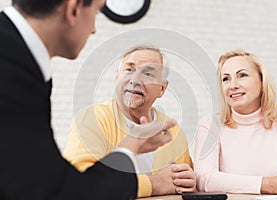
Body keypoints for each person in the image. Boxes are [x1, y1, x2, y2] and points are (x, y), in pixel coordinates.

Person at [0, 1, 177, 199]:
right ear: (73, 9)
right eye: (96, 11)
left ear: (163, 88)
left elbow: (44, 183)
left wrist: (133, 144)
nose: (93, 29)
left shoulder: (18, 59)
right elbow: (63, 192)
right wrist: (148, 176)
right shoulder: (11, 70)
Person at [63, 45, 196, 197]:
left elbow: (185, 184)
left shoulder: (173, 131)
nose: (135, 80)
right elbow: (79, 185)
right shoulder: (91, 119)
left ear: (162, 89)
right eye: (129, 70)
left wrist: (189, 182)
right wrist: (155, 183)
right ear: (117, 77)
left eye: (148, 74)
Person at [194, 49, 277, 195]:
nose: (233, 85)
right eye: (226, 79)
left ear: (262, 81)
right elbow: (203, 179)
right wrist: (267, 184)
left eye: (242, 75)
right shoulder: (211, 124)